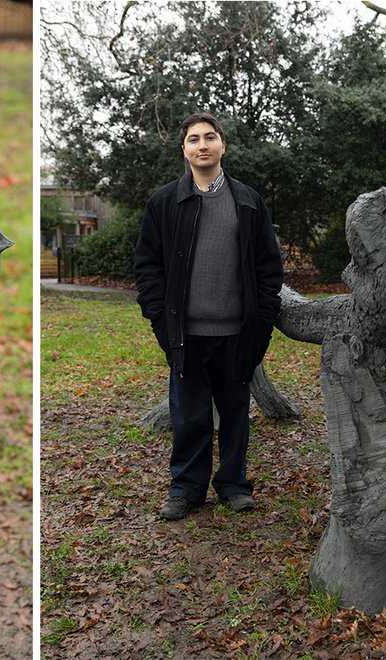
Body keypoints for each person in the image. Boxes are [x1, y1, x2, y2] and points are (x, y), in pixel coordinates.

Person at [134, 112, 283, 520]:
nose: (203, 145)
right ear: (183, 149)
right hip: (185, 333)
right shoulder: (165, 201)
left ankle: (234, 485)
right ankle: (186, 489)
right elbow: (148, 266)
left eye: (210, 137)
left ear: (222, 146)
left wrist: (262, 321)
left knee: (235, 415)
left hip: (237, 333)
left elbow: (269, 268)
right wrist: (159, 318)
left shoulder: (248, 202)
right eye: (194, 139)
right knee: (189, 416)